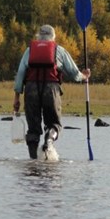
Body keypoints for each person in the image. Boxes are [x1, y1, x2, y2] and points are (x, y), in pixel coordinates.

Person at [13, 24, 91, 159]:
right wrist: (84, 76)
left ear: (39, 36)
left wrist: (17, 97)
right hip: (51, 90)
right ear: (53, 37)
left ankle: (33, 160)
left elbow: (20, 73)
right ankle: (49, 140)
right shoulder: (59, 50)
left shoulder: (29, 51)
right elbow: (74, 74)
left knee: (33, 129)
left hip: (31, 90)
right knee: (54, 124)